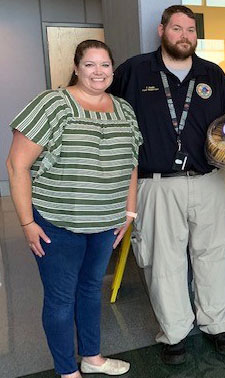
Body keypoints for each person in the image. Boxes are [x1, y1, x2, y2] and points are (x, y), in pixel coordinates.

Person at [108, 5, 225, 364]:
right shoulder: (134, 71)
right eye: (177, 28)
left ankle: (216, 324)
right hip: (156, 184)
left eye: (191, 30)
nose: (185, 36)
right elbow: (105, 109)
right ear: (162, 31)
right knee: (163, 260)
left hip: (209, 180)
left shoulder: (213, 74)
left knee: (214, 254)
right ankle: (175, 332)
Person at [6, 40, 140, 378]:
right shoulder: (53, 104)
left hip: (105, 222)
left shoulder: (123, 108)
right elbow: (16, 165)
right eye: (90, 65)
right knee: (61, 298)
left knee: (91, 289)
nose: (98, 72)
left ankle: (91, 358)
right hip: (56, 222)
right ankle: (67, 371)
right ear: (77, 67)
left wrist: (129, 212)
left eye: (105, 65)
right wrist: (26, 223)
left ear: (113, 69)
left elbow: (131, 163)